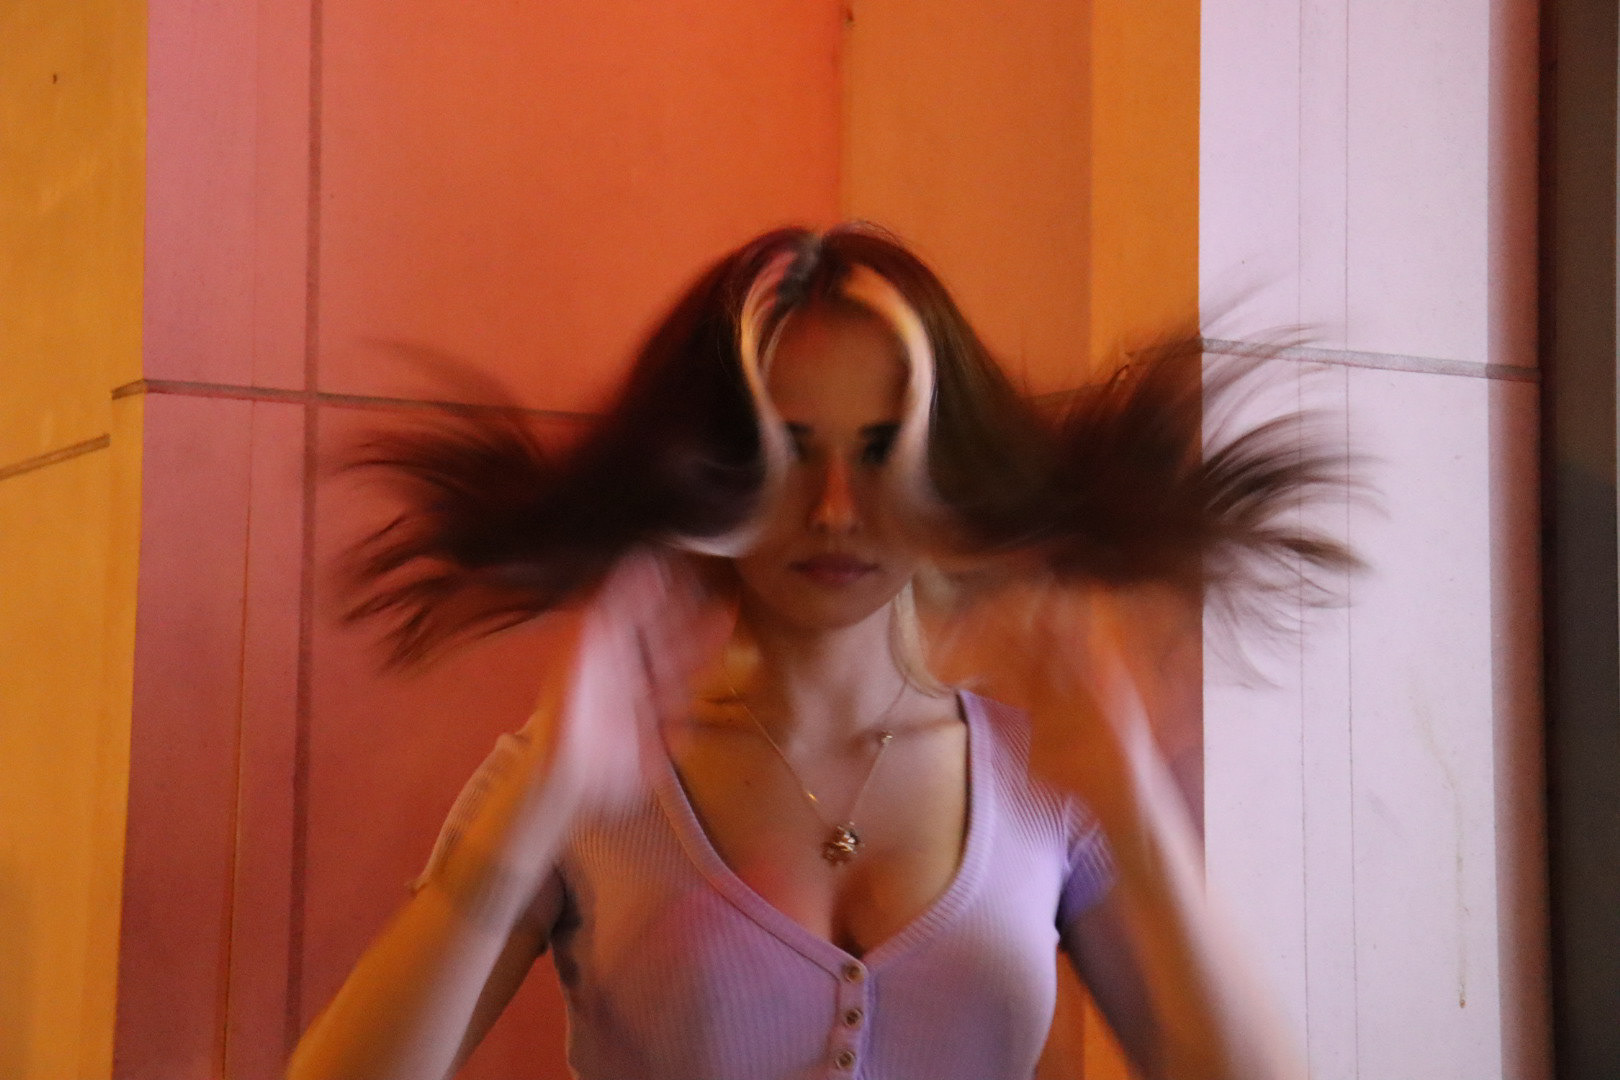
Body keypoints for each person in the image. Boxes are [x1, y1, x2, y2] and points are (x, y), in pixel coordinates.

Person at [287, 224, 1350, 1080]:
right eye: (789, 452)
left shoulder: (1050, 773)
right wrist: (536, 807)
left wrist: (1135, 805)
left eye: (884, 451)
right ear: (715, 468)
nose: (837, 509)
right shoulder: (579, 770)